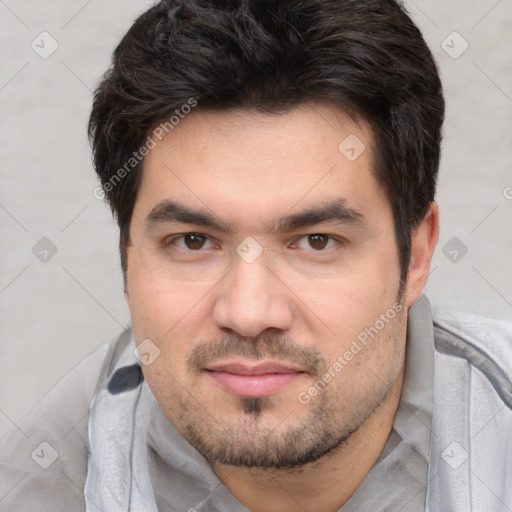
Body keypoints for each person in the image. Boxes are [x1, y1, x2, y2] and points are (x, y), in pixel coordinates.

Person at [1, 0, 511, 510]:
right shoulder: (41, 486)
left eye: (316, 241)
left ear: (416, 255)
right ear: (127, 255)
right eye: (193, 241)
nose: (248, 313)